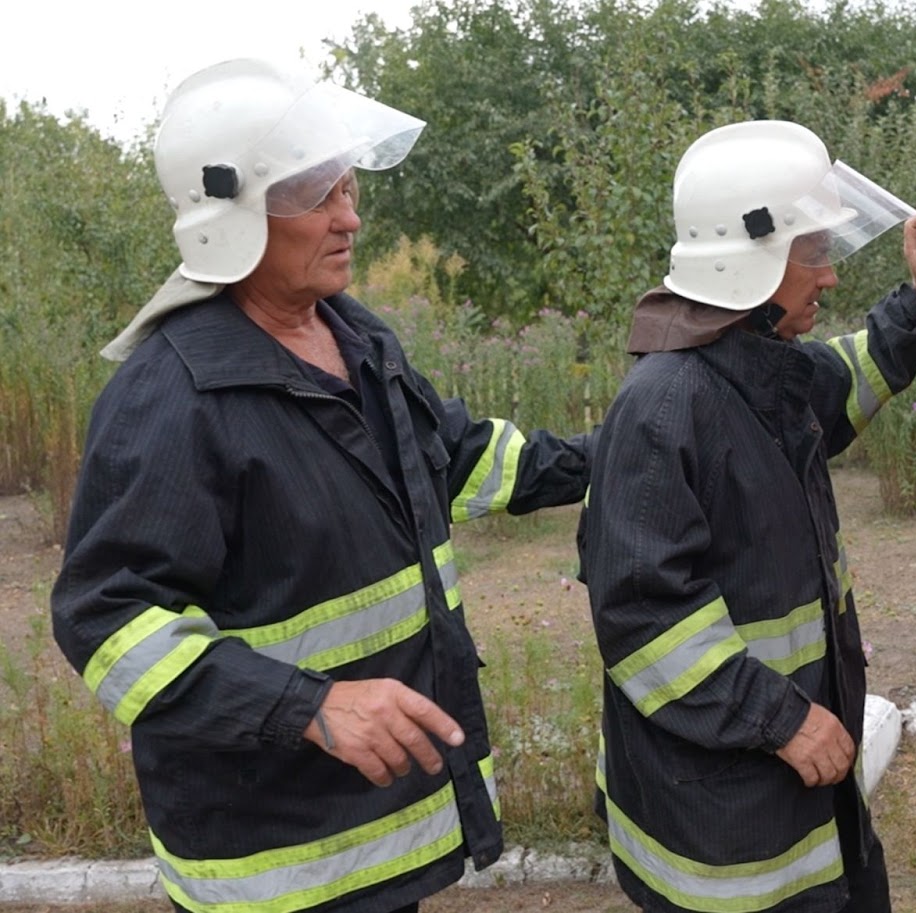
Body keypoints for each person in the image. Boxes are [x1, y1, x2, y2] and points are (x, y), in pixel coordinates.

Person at [50, 58, 590, 913]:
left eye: (348, 185)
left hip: (379, 838)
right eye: (317, 195)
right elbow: (107, 620)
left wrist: (616, 452)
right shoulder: (173, 396)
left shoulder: (354, 336)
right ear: (230, 216)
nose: (352, 217)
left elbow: (448, 456)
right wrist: (304, 704)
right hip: (276, 865)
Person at [578, 119, 916, 913]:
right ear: (751, 258)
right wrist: (783, 719)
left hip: (785, 797)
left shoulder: (759, 365)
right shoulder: (666, 405)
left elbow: (847, 382)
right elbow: (645, 623)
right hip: (726, 840)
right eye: (813, 252)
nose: (830, 276)